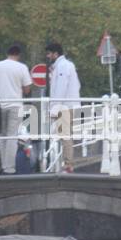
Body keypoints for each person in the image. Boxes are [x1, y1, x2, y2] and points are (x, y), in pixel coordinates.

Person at [0, 45, 34, 174]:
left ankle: (3, 165)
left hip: (1, 104)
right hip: (15, 104)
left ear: (7, 53)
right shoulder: (22, 67)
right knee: (12, 137)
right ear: (18, 55)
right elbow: (27, 90)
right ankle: (9, 168)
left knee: (3, 135)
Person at [45, 42, 81, 173]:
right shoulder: (66, 65)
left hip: (64, 106)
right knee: (66, 134)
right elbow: (76, 85)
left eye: (49, 53)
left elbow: (61, 87)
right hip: (69, 104)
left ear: (56, 53)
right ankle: (68, 163)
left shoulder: (62, 66)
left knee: (65, 135)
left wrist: (55, 107)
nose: (48, 56)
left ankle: (68, 164)